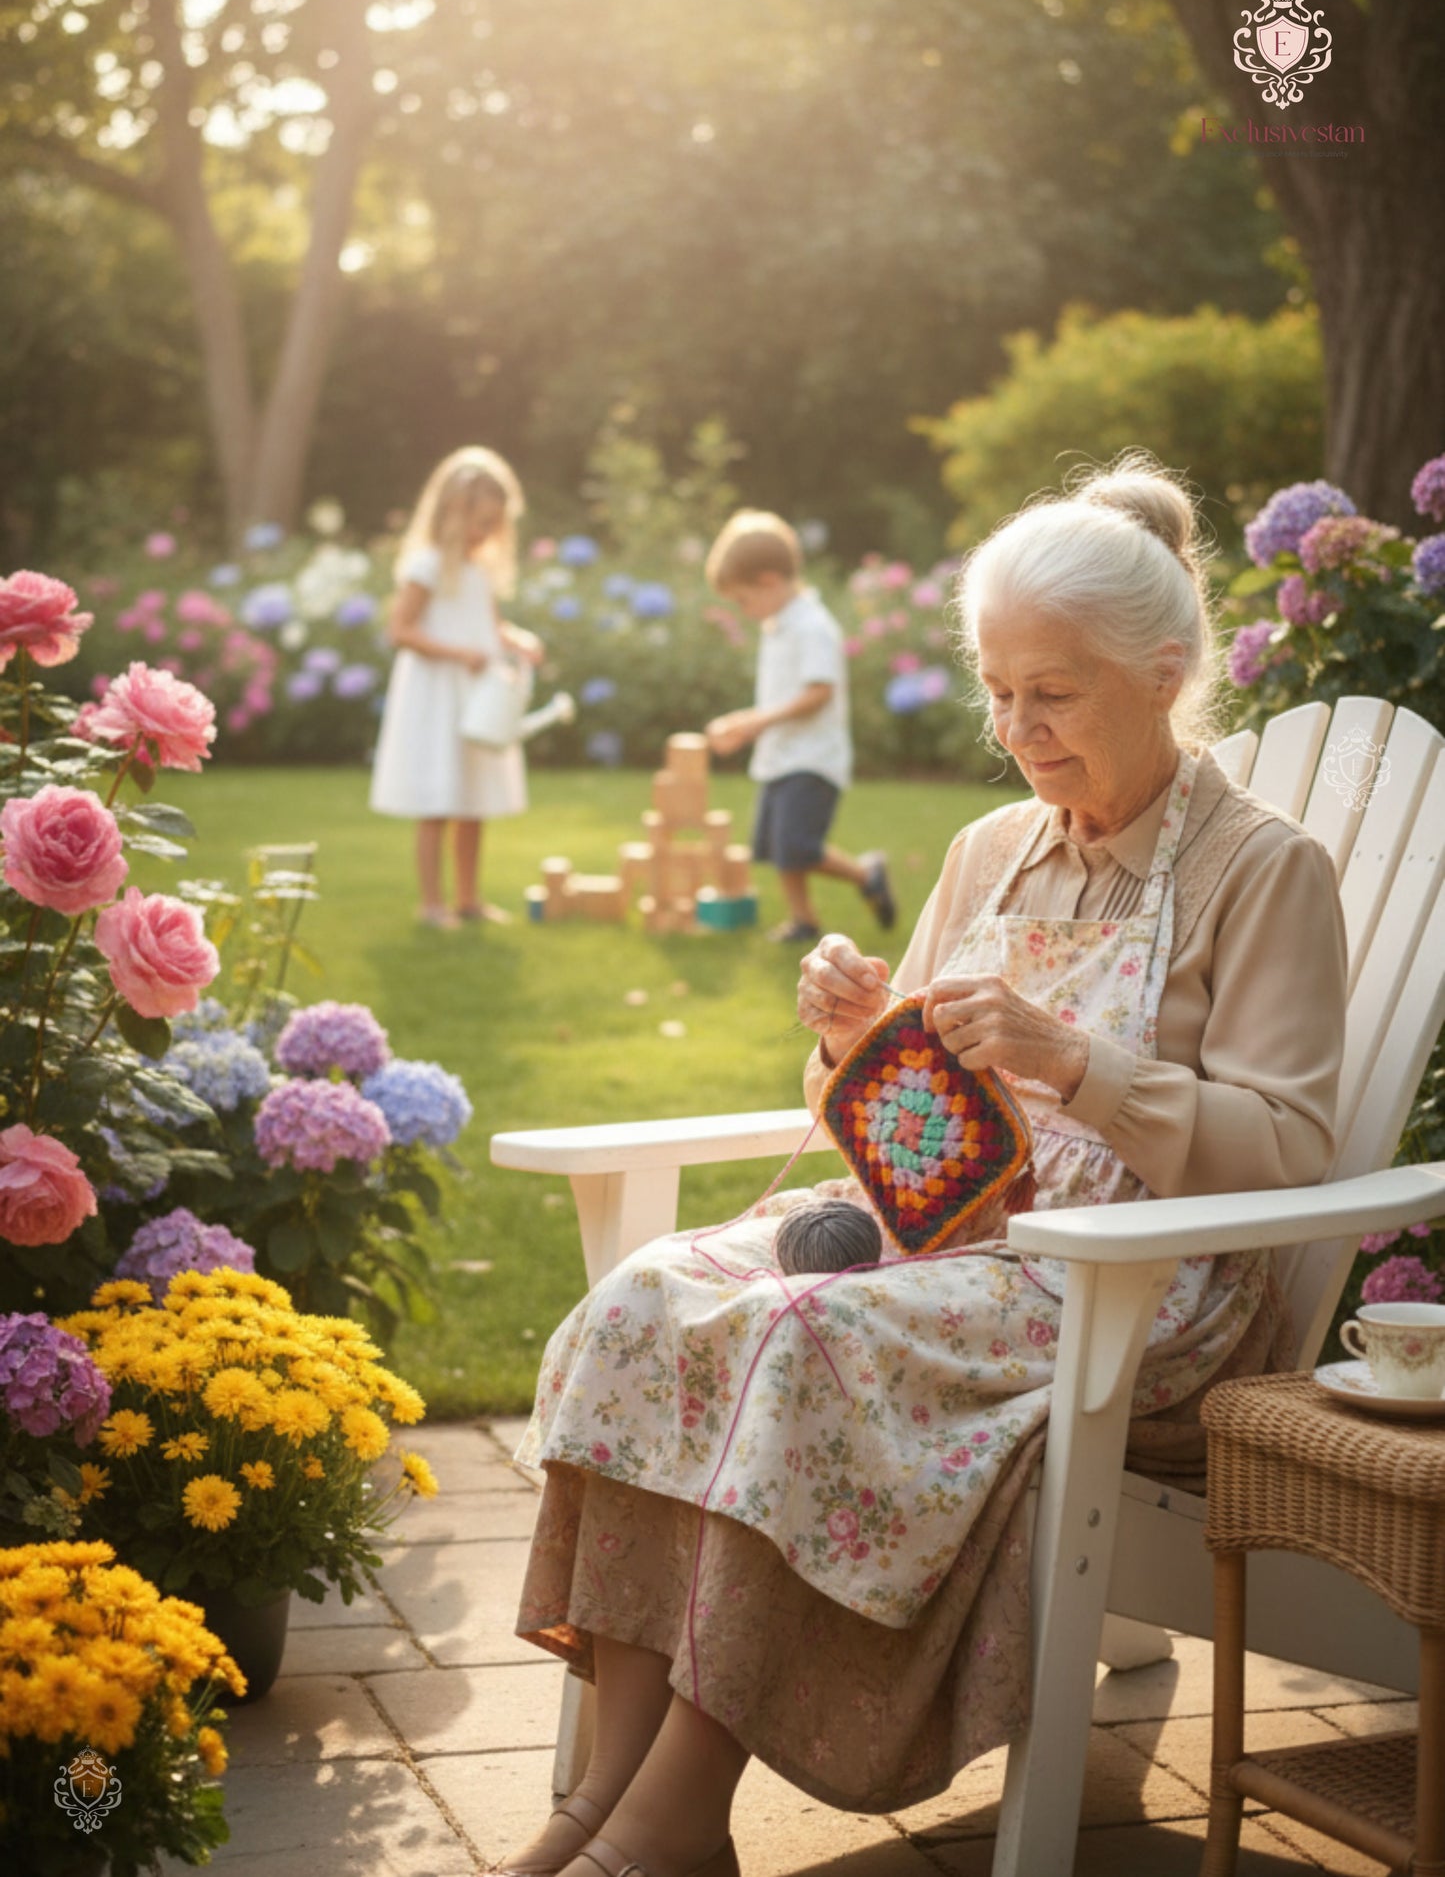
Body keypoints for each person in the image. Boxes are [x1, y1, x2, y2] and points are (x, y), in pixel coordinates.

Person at [499, 456, 1349, 1877]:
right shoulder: (990, 850)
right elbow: (901, 1110)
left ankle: (664, 1824)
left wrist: (1074, 1061)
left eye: (1053, 693)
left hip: (1140, 1277)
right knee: (649, 1300)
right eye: (998, 690)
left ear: (1164, 668)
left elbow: (1295, 1150)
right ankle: (606, 1803)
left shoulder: (1265, 872)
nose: (1017, 728)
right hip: (934, 1228)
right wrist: (847, 1039)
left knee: (800, 1334)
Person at [370, 446, 544, 928]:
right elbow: (400, 630)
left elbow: (488, 626)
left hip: (475, 698)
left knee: (473, 801)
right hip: (437, 698)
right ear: (452, 510)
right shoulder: (425, 567)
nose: (484, 533)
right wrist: (457, 654)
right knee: (439, 800)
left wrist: (517, 641)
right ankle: (432, 903)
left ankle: (468, 899)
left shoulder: (477, 570)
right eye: (480, 521)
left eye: (493, 524)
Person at [702, 509, 895, 945]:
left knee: (798, 844)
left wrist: (755, 723)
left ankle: (867, 873)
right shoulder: (778, 627)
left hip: (811, 757)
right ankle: (803, 920)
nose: (743, 610)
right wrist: (749, 723)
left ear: (769, 581)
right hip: (781, 755)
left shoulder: (812, 627)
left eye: (743, 599)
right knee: (775, 846)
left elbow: (819, 692)